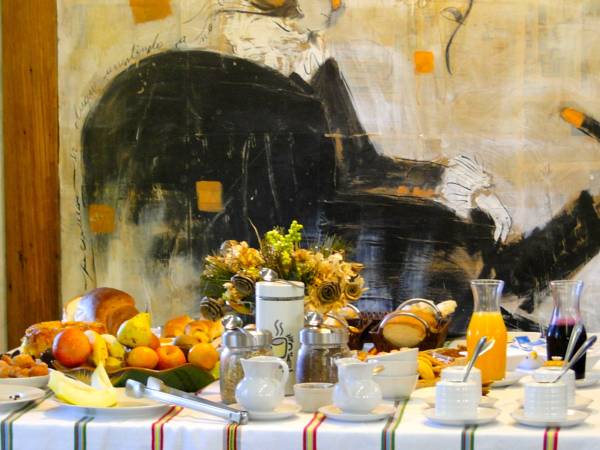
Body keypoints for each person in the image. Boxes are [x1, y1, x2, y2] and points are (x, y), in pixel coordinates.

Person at [81, 0, 600, 333]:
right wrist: (448, 188)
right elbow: (343, 174)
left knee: (442, 239)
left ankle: (538, 260)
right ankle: (519, 275)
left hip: (299, 263)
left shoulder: (303, 59)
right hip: (259, 282)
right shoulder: (209, 77)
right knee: (431, 241)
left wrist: (448, 183)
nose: (326, 14)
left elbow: (355, 161)